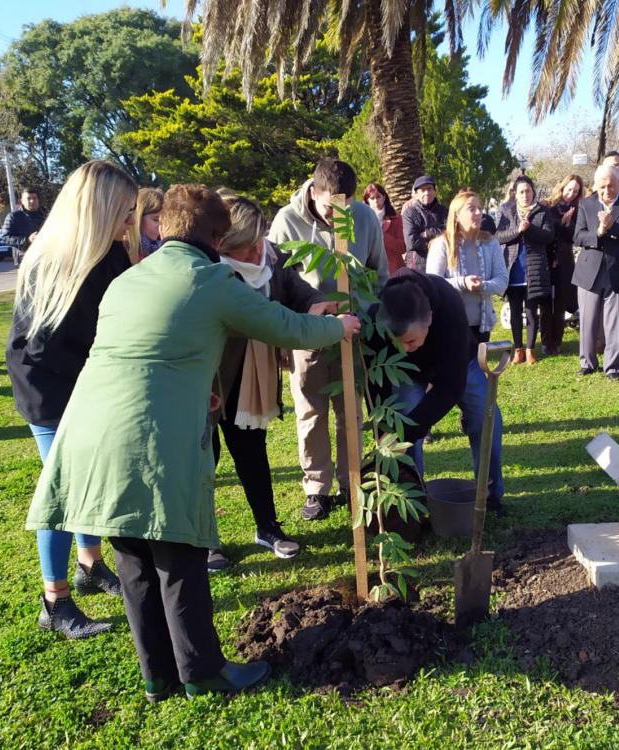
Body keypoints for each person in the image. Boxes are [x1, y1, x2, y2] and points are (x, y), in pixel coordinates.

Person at [25, 183, 358, 701]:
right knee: (179, 556)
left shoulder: (129, 279)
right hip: (150, 438)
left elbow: (148, 350)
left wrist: (198, 387)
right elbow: (286, 328)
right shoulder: (212, 280)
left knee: (133, 555)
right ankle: (202, 673)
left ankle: (157, 676)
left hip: (91, 429)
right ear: (216, 236)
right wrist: (340, 326)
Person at [6, 161, 136, 639]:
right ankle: (54, 601)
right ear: (98, 210)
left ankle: (90, 564)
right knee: (63, 489)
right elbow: (43, 349)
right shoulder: (52, 259)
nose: (130, 220)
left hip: (87, 382)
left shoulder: (113, 256)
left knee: (88, 482)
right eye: (124, 211)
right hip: (49, 388)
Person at [212, 190, 334, 563]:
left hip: (252, 381)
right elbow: (262, 320)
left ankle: (268, 527)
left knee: (252, 452)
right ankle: (206, 541)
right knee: (205, 459)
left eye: (257, 243)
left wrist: (319, 308)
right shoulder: (209, 271)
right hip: (210, 378)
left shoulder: (271, 256)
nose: (255, 255)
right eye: (244, 249)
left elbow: (300, 292)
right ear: (222, 245)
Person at [267, 158, 388, 522]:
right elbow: (274, 283)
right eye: (330, 207)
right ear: (314, 192)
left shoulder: (365, 218)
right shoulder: (287, 221)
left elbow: (378, 272)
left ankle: (351, 482)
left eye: (346, 207)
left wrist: (372, 319)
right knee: (310, 411)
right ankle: (316, 487)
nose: (339, 216)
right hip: (308, 333)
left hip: (355, 331)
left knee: (349, 410)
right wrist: (285, 338)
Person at [368, 271, 507, 514]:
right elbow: (376, 382)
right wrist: (386, 431)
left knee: (487, 418)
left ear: (429, 318)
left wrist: (407, 431)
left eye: (410, 341)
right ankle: (414, 505)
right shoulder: (380, 314)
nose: (404, 348)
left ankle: (489, 498)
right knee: (400, 426)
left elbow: (451, 388)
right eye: (396, 342)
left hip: (459, 362)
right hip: (406, 374)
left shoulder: (449, 305)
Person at [572, 165, 619, 380]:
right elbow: (578, 236)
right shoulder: (586, 204)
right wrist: (600, 232)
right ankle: (587, 362)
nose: (606, 191)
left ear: (618, 183)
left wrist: (612, 227)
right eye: (602, 187)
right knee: (587, 319)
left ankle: (614, 367)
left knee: (616, 322)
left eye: (611, 186)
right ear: (595, 186)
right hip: (589, 271)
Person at [426, 190, 509, 347]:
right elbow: (433, 284)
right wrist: (463, 283)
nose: (479, 213)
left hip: (481, 326)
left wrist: (483, 285)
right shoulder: (441, 245)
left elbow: (502, 280)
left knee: (477, 369)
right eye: (471, 208)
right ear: (456, 215)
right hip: (450, 324)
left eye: (480, 208)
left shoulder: (491, 243)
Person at [495, 175, 554, 364]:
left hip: (533, 269)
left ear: (533, 191)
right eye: (521, 191)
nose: (525, 195)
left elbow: (548, 236)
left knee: (531, 311)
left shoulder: (542, 211)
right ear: (515, 194)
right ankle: (518, 349)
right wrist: (518, 230)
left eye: (528, 191)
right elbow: (499, 236)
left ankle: (530, 350)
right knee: (514, 311)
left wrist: (529, 229)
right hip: (513, 269)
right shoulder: (506, 211)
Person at [541, 174, 584, 354]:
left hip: (564, 261)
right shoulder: (547, 207)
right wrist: (561, 223)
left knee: (559, 303)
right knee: (545, 303)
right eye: (569, 189)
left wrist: (567, 224)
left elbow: (573, 237)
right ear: (562, 187)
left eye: (575, 191)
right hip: (546, 259)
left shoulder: (577, 210)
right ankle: (545, 341)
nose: (571, 194)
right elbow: (547, 233)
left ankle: (557, 341)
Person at [401, 175, 448, 271]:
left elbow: (450, 233)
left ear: (435, 192)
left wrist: (427, 233)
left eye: (429, 189)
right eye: (422, 190)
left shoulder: (444, 211)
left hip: (443, 261)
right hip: (418, 265)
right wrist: (439, 238)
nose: (427, 193)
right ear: (416, 194)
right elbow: (412, 242)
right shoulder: (409, 213)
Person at [364, 183, 406, 274]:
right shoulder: (363, 219)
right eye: (372, 198)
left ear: (384, 197)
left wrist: (381, 235)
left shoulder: (397, 218)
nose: (376, 201)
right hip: (370, 270)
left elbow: (402, 247)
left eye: (378, 197)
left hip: (393, 270)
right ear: (367, 201)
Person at [1, 187, 46, 267]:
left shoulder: (45, 215)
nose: (32, 201)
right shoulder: (13, 216)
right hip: (25, 260)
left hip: (46, 257)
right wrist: (27, 240)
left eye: (34, 198)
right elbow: (6, 238)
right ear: (22, 201)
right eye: (28, 198)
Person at [124, 187, 164, 263]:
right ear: (139, 217)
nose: (160, 226)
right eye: (156, 220)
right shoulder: (123, 250)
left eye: (164, 221)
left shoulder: (162, 250)